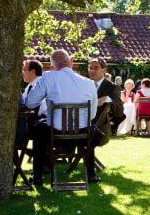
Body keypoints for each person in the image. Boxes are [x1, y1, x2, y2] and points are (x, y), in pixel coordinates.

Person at [23, 49, 100, 184]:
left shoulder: (48, 77)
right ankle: (91, 174)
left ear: (52, 67)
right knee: (91, 129)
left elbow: (30, 103)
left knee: (38, 129)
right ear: (71, 62)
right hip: (82, 136)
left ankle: (38, 176)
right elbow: (92, 115)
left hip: (55, 135)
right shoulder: (89, 83)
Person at [88, 57, 124, 140]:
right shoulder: (84, 85)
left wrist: (108, 99)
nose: (92, 71)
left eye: (96, 68)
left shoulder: (113, 87)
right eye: (90, 68)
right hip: (80, 124)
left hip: (99, 129)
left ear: (104, 70)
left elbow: (119, 112)